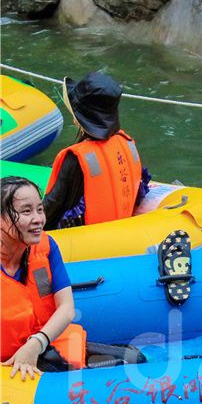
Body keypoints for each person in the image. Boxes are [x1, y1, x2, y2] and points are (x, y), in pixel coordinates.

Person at [43, 72, 149, 230]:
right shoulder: (126, 143)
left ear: (78, 118)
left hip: (80, 237)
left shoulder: (75, 159)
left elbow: (52, 207)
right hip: (119, 229)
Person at [1, 176, 81, 379]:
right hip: (7, 370)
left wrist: (36, 344)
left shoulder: (47, 246)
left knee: (134, 358)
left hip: (45, 346)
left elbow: (67, 308)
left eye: (40, 209)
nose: (38, 219)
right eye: (26, 211)